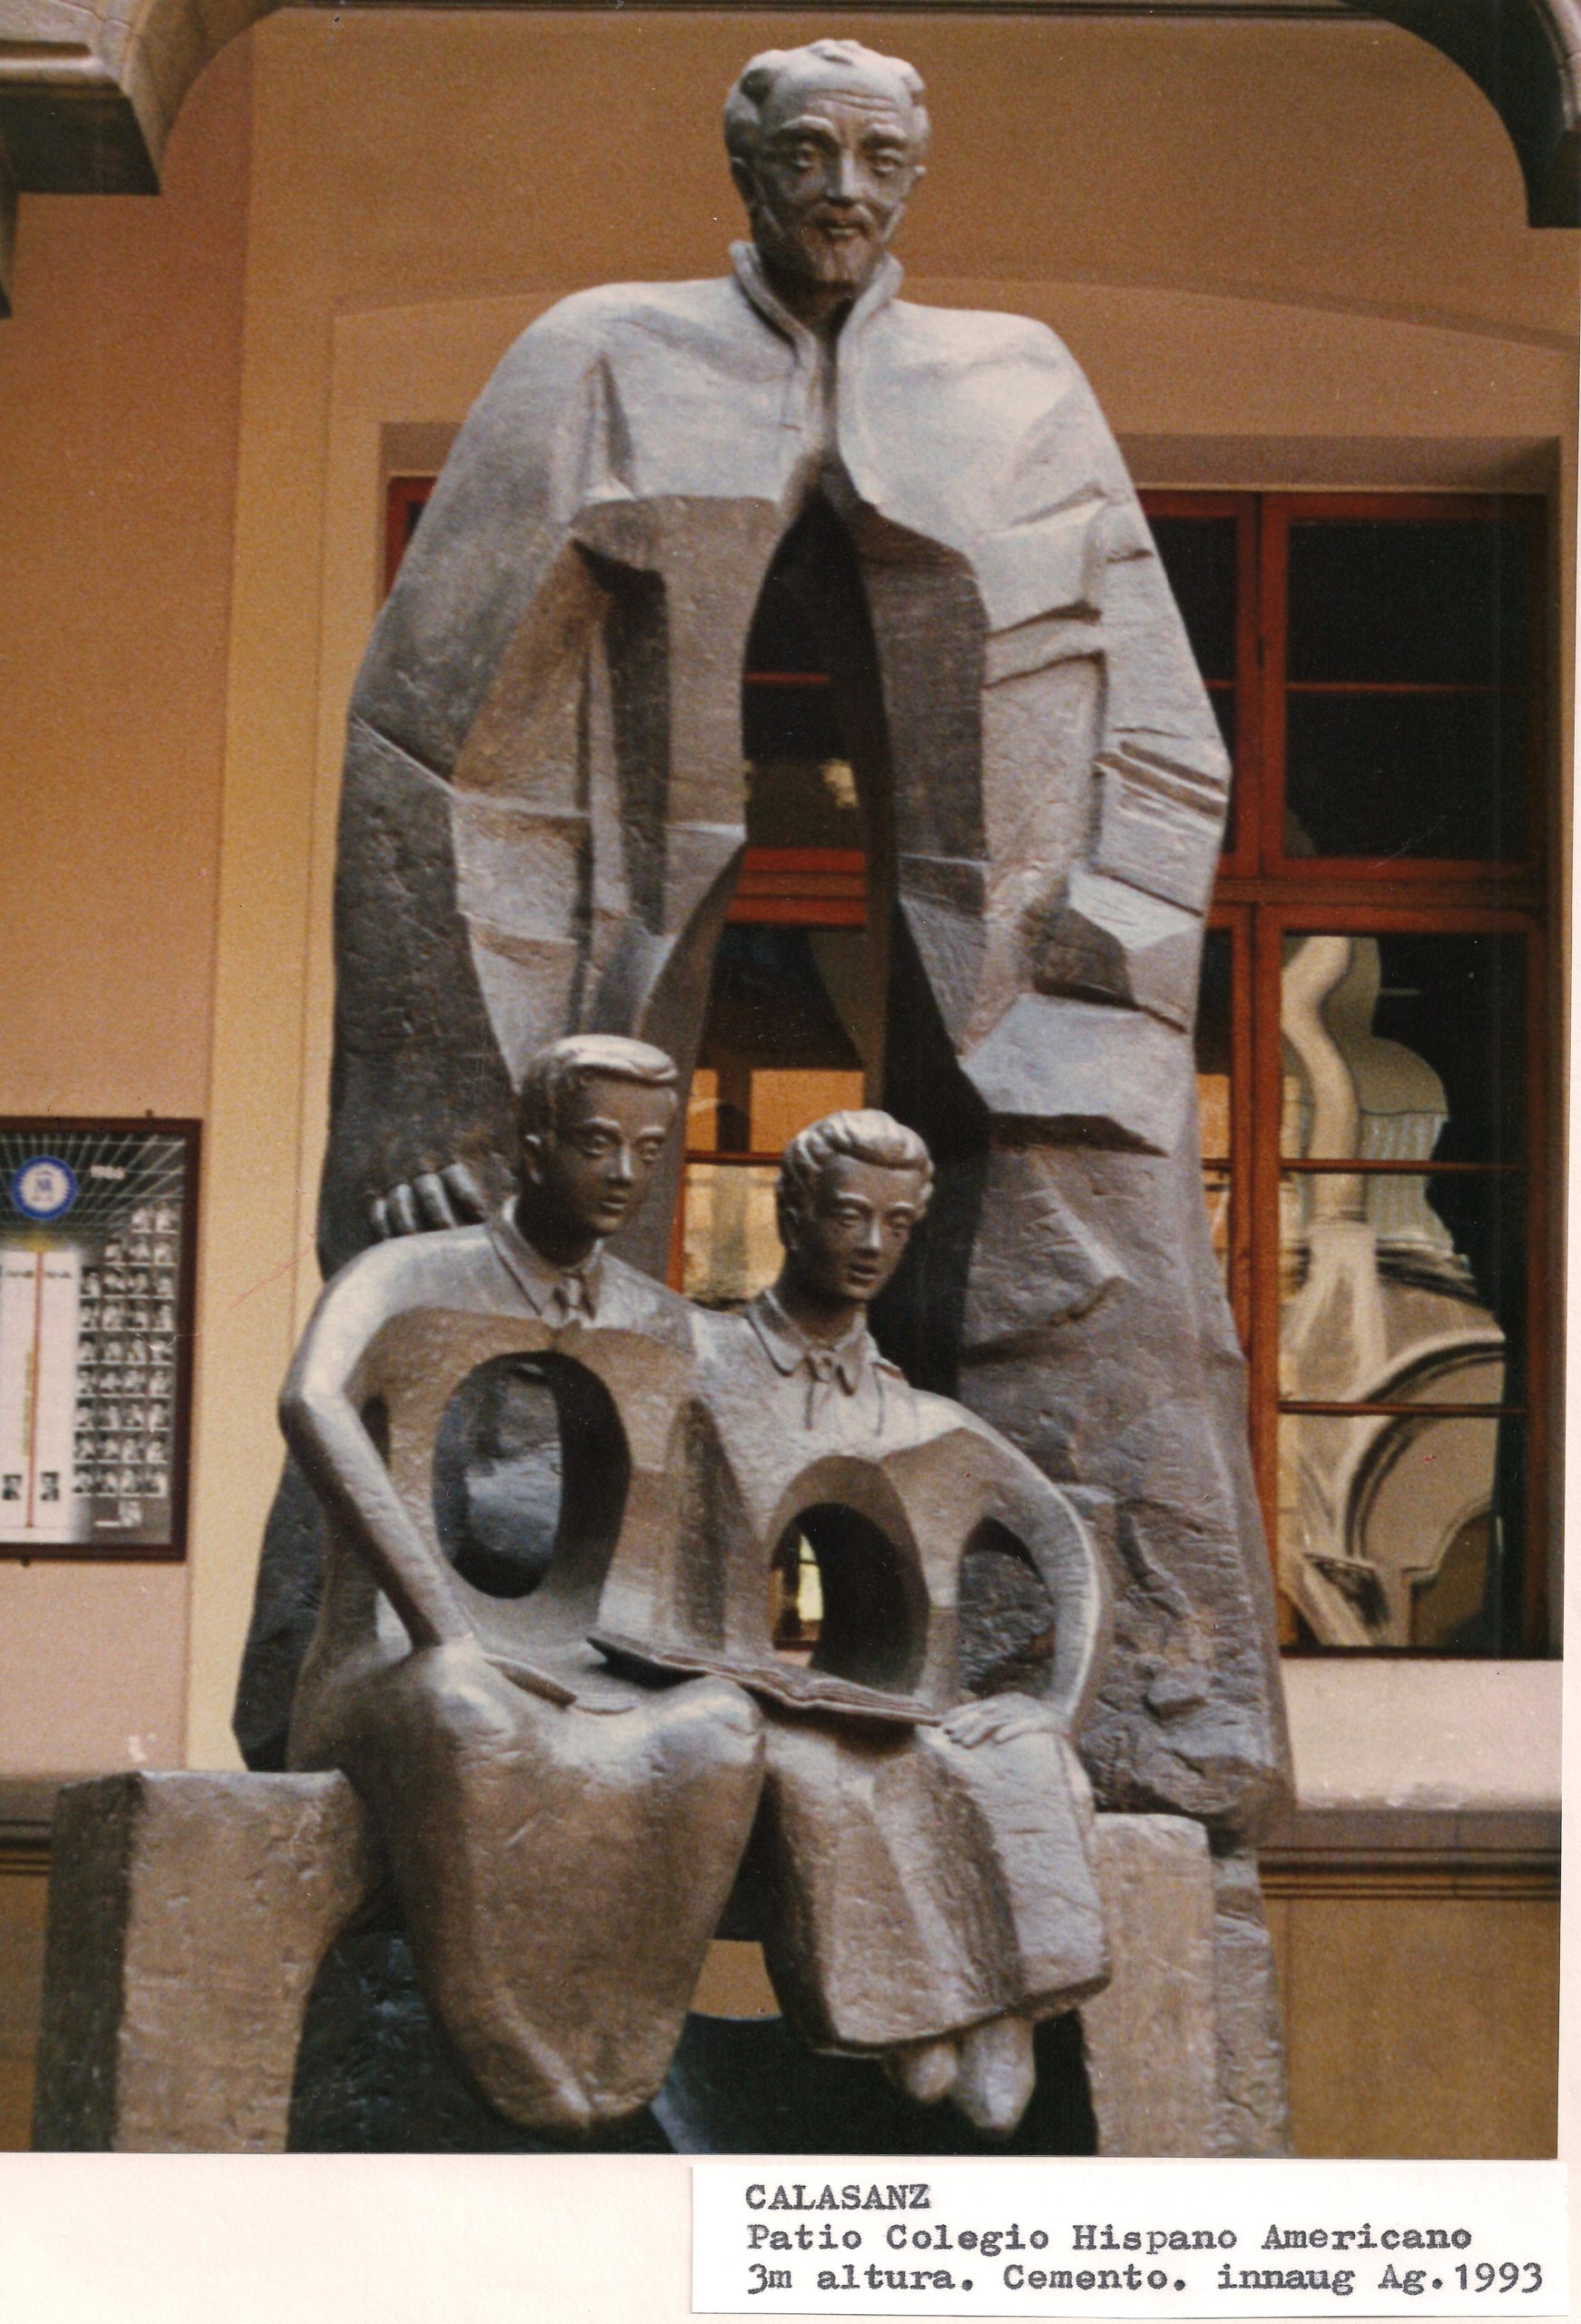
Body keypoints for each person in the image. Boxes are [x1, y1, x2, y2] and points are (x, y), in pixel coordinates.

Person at [236, 35, 1290, 2151]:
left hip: (1046, 1027)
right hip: (567, 991)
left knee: (1094, 1373)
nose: (842, 190)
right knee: (520, 1431)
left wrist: (1107, 926)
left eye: (879, 155)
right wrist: (431, 1090)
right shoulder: (599, 361)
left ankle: (1079, 1848)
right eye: (806, 150)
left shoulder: (1014, 387)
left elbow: (1159, 728)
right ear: (744, 161)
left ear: (917, 171)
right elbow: (424, 733)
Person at [280, 1035, 765, 2134]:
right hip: (392, 1672)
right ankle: (490, 2014)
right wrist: (441, 1623)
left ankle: (634, 2027)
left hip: (582, 1669)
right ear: (533, 1145)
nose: (624, 1174)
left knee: (720, 1728)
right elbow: (311, 1399)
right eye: (596, 1143)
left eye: (648, 1149)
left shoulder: (657, 1321)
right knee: (463, 1704)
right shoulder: (408, 1277)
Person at [683, 1111, 1112, 2138]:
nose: (872, 1243)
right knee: (817, 1776)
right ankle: (913, 2019)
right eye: (847, 1216)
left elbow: (1070, 1554)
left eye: (897, 1223)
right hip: (721, 1695)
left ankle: (1001, 2008)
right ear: (792, 1215)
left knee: (1016, 1761)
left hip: (886, 1699)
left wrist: (1055, 1707)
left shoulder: (911, 1415)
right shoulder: (700, 1362)